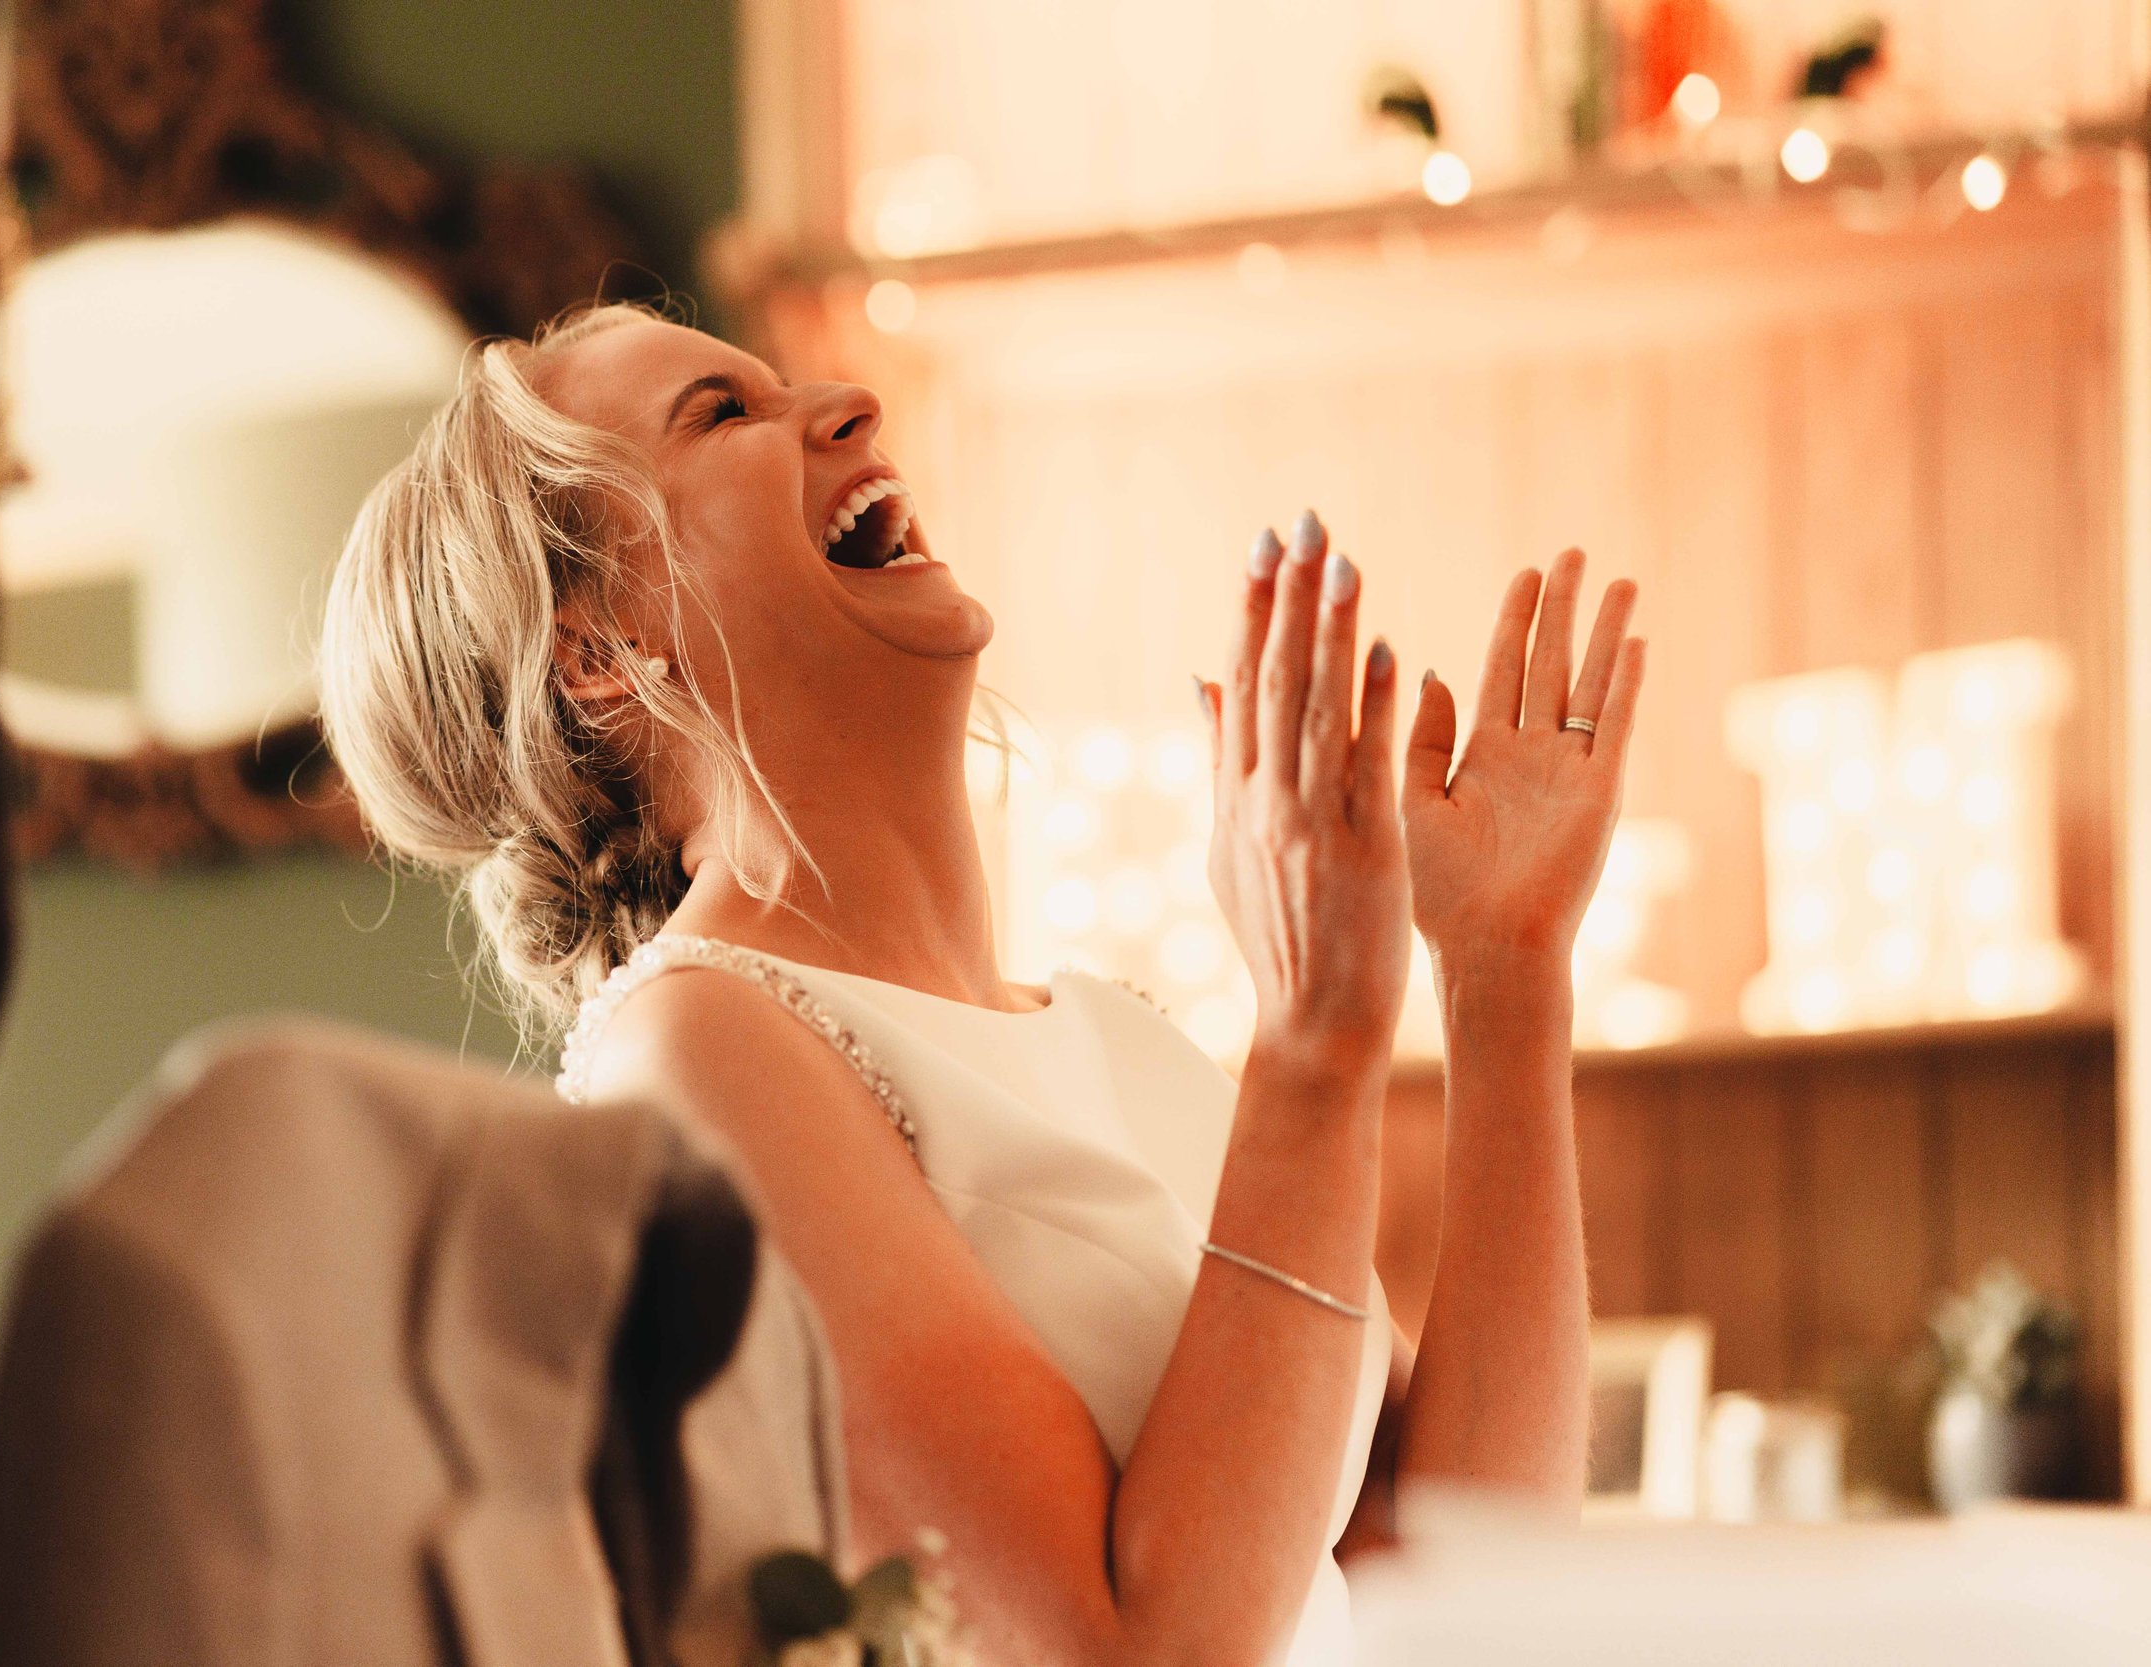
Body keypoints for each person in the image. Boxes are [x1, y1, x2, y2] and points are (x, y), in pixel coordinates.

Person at [319, 300, 1646, 1666]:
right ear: (597, 655)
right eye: (723, 415)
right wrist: (1315, 1040)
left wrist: (1504, 967)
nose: (843, 404)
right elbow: (1121, 1650)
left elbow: (1469, 1570)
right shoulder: (693, 1057)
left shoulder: (1117, 1037)